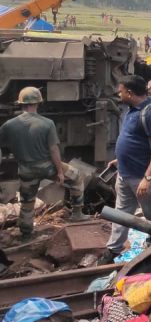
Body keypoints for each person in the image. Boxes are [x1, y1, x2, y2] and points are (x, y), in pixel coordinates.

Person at [0, 88, 88, 241]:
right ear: (38, 103)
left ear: (21, 103)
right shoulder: (47, 123)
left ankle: (26, 234)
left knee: (27, 202)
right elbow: (54, 150)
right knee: (77, 176)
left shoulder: (9, 125)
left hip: (25, 169)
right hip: (47, 167)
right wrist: (59, 171)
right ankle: (77, 214)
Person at [100, 75, 151, 264]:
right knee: (121, 213)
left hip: (142, 176)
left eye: (120, 92)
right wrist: (120, 160)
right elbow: (134, 139)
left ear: (129, 93)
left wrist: (148, 177)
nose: (119, 95)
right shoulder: (131, 111)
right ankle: (113, 250)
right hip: (124, 173)